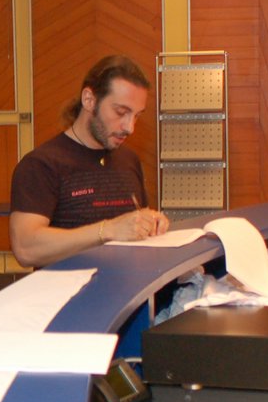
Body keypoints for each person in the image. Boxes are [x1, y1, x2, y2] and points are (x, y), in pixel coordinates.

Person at [9, 55, 169, 267]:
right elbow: (25, 248)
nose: (129, 127)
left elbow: (134, 226)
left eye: (137, 115)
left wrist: (151, 224)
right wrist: (108, 230)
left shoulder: (128, 160)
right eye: (121, 112)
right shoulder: (41, 165)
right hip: (69, 297)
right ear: (89, 100)